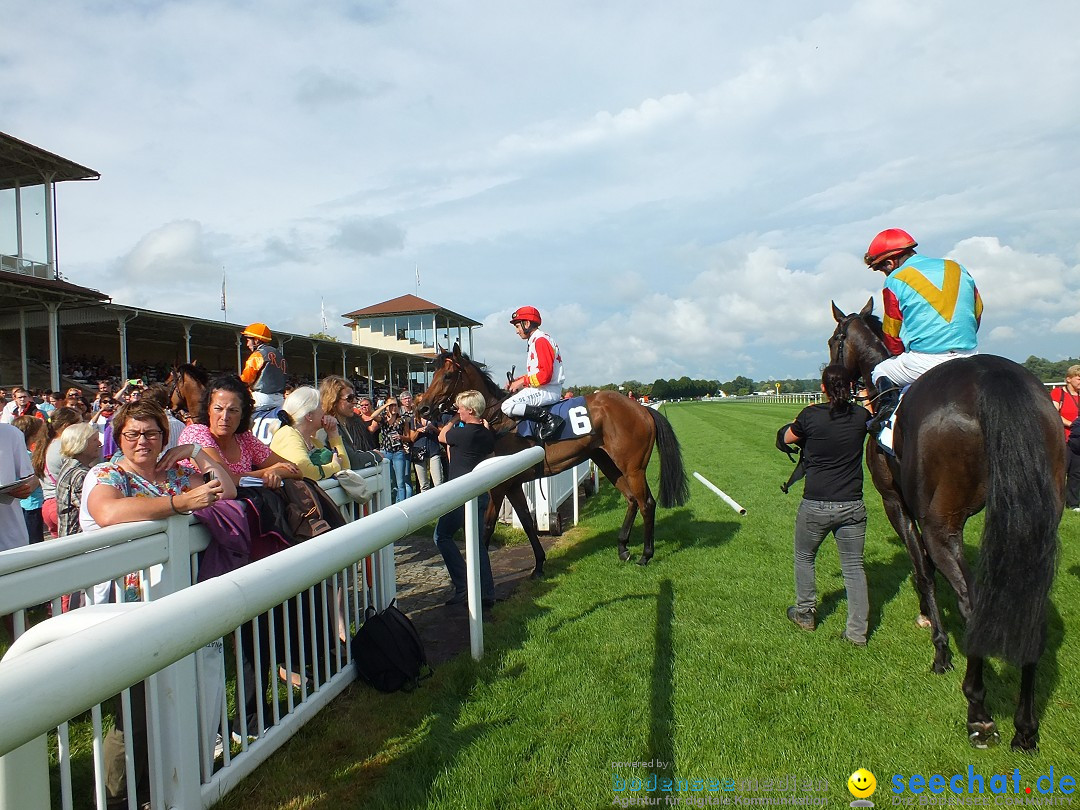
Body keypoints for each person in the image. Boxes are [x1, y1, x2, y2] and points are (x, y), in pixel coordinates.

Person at [779, 365, 871, 646]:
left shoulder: (810, 415)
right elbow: (870, 413)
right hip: (853, 505)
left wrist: (801, 416)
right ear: (850, 386)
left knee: (805, 557)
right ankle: (857, 634)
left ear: (823, 388)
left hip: (816, 505)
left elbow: (786, 438)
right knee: (854, 568)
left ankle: (805, 613)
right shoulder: (860, 416)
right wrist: (865, 396)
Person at [862, 228, 982, 433]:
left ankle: (886, 422)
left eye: (882, 269)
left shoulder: (894, 279)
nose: (885, 273)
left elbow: (891, 335)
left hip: (925, 360)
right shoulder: (957, 268)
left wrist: (899, 352)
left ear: (890, 263)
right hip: (970, 355)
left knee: (880, 370)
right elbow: (977, 311)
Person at [178, 375, 301, 488]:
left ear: (242, 414)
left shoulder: (245, 439)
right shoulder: (195, 433)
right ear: (208, 410)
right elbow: (223, 480)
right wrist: (266, 472)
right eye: (218, 409)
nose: (225, 417)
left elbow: (296, 470)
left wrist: (276, 471)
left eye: (233, 410)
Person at [434, 390, 497, 608]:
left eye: (460, 408)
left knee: (441, 536)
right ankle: (487, 591)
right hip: (479, 494)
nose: (457, 411)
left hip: (459, 494)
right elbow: (487, 442)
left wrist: (451, 421)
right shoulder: (487, 434)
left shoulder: (463, 434)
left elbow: (442, 437)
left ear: (469, 410)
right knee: (476, 544)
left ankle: (463, 586)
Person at [501, 306, 566, 441]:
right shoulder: (536, 340)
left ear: (527, 324)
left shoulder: (540, 340)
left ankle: (550, 419)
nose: (517, 331)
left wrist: (522, 382)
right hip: (543, 388)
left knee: (507, 406)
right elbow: (537, 372)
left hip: (547, 390)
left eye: (518, 326)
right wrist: (517, 381)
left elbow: (545, 375)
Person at [269, 386, 350, 480]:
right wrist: (334, 467)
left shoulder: (312, 442)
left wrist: (333, 434)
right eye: (320, 406)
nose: (325, 411)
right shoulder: (287, 435)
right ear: (309, 415)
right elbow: (303, 471)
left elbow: (345, 468)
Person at [34, 407, 83, 538]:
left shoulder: (46, 445)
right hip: (63, 506)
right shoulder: (64, 447)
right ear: (68, 426)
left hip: (48, 506)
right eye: (80, 423)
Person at [319, 376, 382, 468]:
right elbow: (353, 461)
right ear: (333, 400)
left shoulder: (341, 425)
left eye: (355, 397)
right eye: (350, 398)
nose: (355, 402)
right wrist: (376, 455)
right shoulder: (327, 426)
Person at [239, 322, 287, 410]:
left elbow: (246, 379)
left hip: (261, 398)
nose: (247, 344)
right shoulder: (279, 354)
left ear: (256, 340)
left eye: (248, 340)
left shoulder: (257, 355)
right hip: (280, 399)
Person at [1051, 365, 1080, 513]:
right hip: (1063, 439)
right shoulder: (1058, 393)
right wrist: (1071, 424)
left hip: (1078, 440)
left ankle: (1073, 503)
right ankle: (1054, 502)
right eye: (1078, 377)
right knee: (1059, 472)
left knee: (1076, 473)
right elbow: (1054, 413)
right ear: (1069, 379)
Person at [377, 394, 413, 502]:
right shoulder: (383, 419)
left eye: (395, 405)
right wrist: (385, 405)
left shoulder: (402, 420)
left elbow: (409, 438)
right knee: (389, 481)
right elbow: (373, 416)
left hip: (398, 452)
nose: (393, 408)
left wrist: (401, 437)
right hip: (386, 452)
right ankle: (390, 503)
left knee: (400, 482)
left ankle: (401, 503)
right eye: (391, 405)